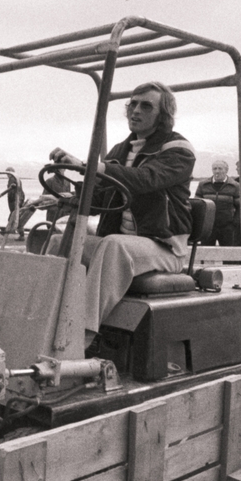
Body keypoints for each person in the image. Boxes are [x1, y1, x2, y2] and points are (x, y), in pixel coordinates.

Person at [80, 81, 195, 335]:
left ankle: (80, 335)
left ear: (163, 114)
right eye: (132, 103)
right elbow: (100, 197)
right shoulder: (120, 150)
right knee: (61, 241)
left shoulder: (178, 150)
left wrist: (99, 168)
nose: (136, 110)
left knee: (113, 245)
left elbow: (146, 179)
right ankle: (44, 317)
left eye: (146, 105)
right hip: (124, 244)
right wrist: (68, 196)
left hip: (162, 246)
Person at [195, 159, 240, 245]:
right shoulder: (203, 184)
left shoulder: (235, 186)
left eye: (220, 168)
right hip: (208, 227)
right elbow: (197, 205)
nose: (217, 171)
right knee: (206, 254)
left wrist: (235, 223)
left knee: (229, 255)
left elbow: (240, 207)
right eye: (215, 169)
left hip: (227, 227)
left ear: (226, 170)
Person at [4, 167, 26, 239]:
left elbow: (12, 191)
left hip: (14, 200)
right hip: (19, 199)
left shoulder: (12, 179)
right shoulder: (17, 179)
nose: (7, 175)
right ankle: (10, 231)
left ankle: (8, 231)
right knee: (15, 216)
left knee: (14, 216)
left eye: (8, 173)